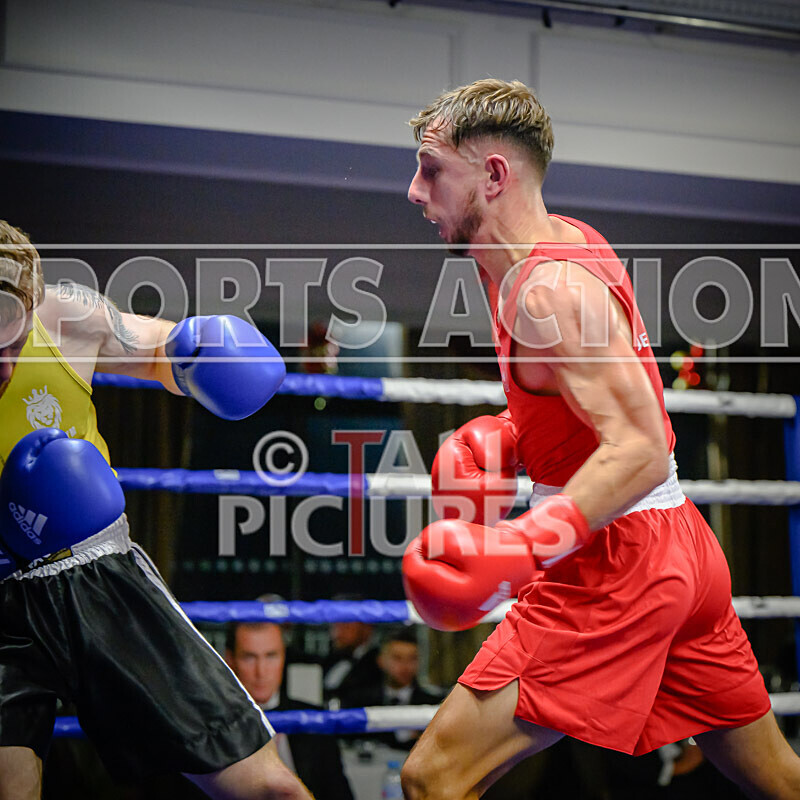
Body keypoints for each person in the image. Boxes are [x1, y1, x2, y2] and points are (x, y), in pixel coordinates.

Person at [400, 80, 800, 799]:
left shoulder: (549, 290)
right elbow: (597, 404)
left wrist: (525, 542)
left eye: (432, 170)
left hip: (618, 562)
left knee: (432, 779)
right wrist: (514, 437)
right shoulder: (557, 244)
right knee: (779, 780)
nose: (414, 190)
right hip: (676, 546)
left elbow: (640, 446)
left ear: (494, 175)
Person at [0, 221, 311, 799]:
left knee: (267, 788)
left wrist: (203, 352)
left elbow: (160, 351)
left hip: (92, 575)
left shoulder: (65, 315)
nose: (4, 365)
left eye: (13, 340)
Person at [225, 618, 355, 800]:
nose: (261, 671)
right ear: (230, 660)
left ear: (284, 657)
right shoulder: (214, 727)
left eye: (271, 656)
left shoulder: (314, 721)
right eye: (249, 657)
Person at [343, 628, 442, 750]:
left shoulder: (433, 706)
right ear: (381, 661)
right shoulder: (360, 702)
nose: (405, 666)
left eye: (412, 658)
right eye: (397, 658)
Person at [321, 594, 382, 707]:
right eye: (335, 622)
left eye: (345, 622)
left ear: (367, 625)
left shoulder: (379, 665)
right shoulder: (330, 660)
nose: (337, 629)